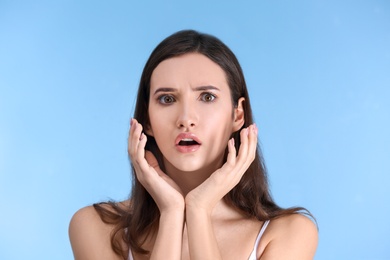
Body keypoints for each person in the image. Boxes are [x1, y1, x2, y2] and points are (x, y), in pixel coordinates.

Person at [69, 29, 318, 260]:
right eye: (167, 99)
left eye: (207, 97)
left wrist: (199, 210)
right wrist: (172, 212)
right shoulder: (96, 226)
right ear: (147, 120)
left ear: (237, 115)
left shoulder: (289, 233)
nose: (186, 118)